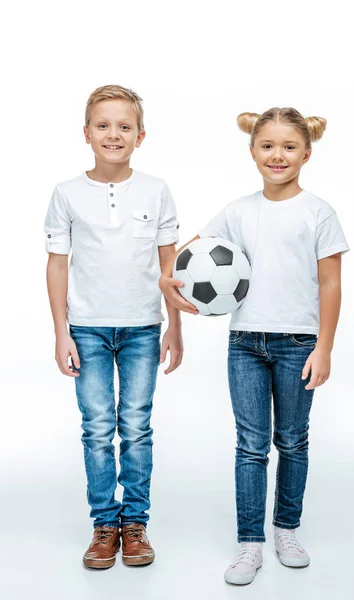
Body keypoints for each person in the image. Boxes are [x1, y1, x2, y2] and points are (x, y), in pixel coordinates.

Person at [160, 107, 350, 585]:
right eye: (267, 146)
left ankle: (286, 529)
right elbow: (191, 256)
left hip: (297, 342)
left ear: (307, 153)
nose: (277, 155)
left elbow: (330, 285)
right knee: (250, 445)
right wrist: (172, 285)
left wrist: (323, 347)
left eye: (289, 146)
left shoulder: (319, 212)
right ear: (252, 152)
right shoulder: (238, 211)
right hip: (245, 343)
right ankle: (250, 543)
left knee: (292, 440)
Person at [44, 84, 183, 569]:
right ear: (86, 133)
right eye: (103, 125)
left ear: (141, 135)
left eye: (125, 126)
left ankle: (135, 524)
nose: (113, 134)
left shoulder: (156, 189)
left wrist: (176, 328)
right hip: (87, 330)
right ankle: (105, 524)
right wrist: (61, 331)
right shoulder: (66, 194)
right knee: (98, 429)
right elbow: (58, 265)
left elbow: (171, 266)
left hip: (144, 328)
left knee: (137, 428)